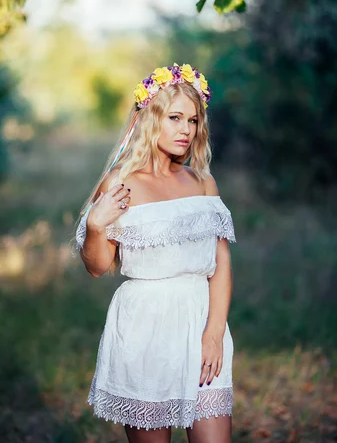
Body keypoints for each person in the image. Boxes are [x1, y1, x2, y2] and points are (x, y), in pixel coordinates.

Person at [75, 63, 236, 443]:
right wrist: (97, 226)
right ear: (151, 118)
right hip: (144, 327)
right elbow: (97, 267)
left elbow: (222, 265)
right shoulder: (120, 183)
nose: (186, 129)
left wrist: (213, 334)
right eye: (175, 117)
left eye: (193, 120)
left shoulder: (203, 183)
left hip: (201, 322)